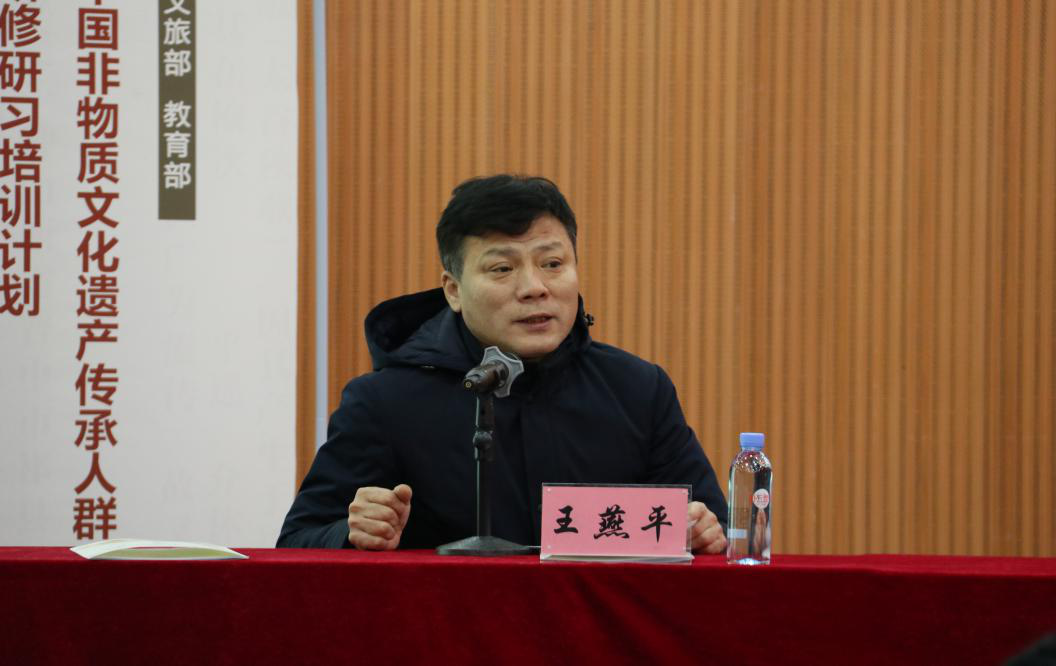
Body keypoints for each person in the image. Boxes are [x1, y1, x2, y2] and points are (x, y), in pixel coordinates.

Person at [277, 174, 729, 554]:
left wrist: (704, 531)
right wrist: (353, 532)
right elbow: (298, 541)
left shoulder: (638, 390)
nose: (534, 287)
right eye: (502, 269)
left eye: (553, 263)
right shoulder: (385, 402)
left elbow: (715, 529)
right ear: (453, 290)